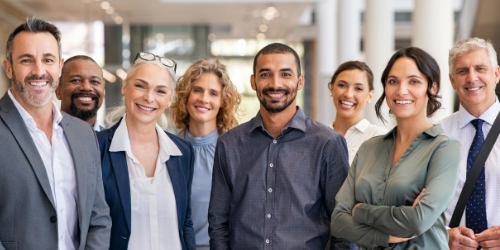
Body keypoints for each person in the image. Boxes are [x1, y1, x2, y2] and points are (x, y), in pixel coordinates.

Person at [208, 43, 351, 249]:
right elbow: (218, 222)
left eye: (285, 74)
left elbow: (343, 226)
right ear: (253, 81)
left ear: (300, 81)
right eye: (265, 74)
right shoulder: (229, 144)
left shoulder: (328, 143)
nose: (275, 84)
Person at [331, 47, 461, 249]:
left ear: (433, 88)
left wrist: (359, 211)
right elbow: (338, 222)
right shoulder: (368, 148)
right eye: (393, 81)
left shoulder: (445, 148)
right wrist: (385, 237)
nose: (401, 90)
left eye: (414, 81)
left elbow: (418, 220)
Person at [0, 17, 111, 249]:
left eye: (47, 60)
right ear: (8, 67)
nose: (39, 71)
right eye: (26, 60)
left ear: (59, 66)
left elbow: (97, 216)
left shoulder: (83, 133)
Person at [98, 52, 195, 250]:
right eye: (140, 86)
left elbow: (185, 222)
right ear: (125, 87)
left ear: (169, 99)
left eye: (160, 91)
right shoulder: (97, 147)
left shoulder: (182, 152)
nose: (149, 97)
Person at [170, 58, 241, 250]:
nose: (204, 99)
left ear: (222, 101)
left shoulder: (234, 153)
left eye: (213, 93)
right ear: (186, 95)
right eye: (198, 90)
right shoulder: (167, 150)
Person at [441, 37, 500, 250]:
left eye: (480, 68)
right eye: (462, 71)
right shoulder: (435, 135)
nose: (472, 78)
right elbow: (417, 209)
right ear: (452, 80)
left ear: (496, 74)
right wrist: (443, 236)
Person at [328, 61, 388, 164]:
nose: (348, 94)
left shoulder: (381, 138)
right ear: (332, 88)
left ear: (370, 95)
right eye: (342, 85)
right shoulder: (317, 137)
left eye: (358, 88)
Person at [56, 55, 105, 131]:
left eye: (94, 81)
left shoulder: (114, 141)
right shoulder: (43, 139)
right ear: (58, 91)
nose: (86, 87)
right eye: (76, 80)